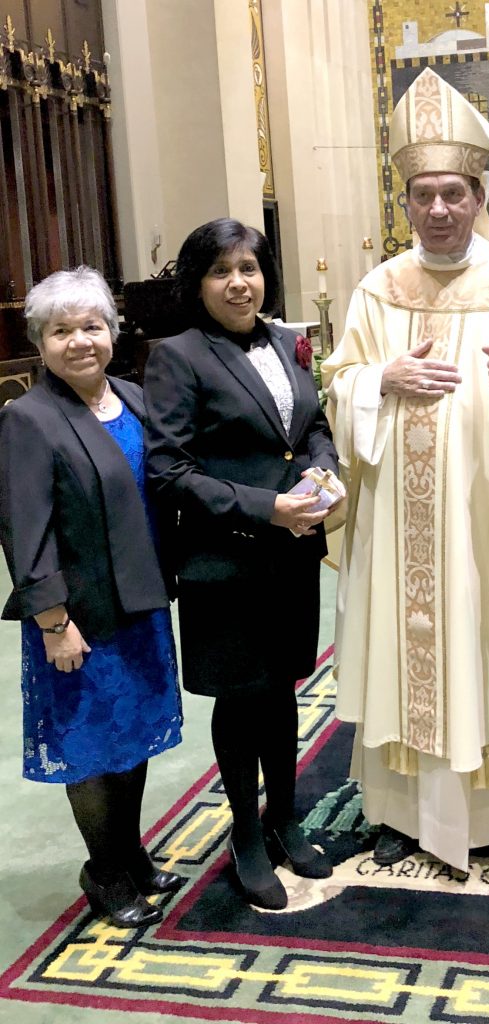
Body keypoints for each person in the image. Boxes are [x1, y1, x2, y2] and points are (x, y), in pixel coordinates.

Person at [322, 67, 489, 873]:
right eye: (422, 195)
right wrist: (380, 381)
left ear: (480, 196)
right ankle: (405, 811)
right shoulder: (377, 291)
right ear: (405, 202)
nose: (437, 209)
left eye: (453, 193)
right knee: (409, 652)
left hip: (488, 526)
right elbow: (336, 386)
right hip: (401, 536)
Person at [143, 220, 342, 911]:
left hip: (290, 554)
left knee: (281, 685)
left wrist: (325, 473)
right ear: (197, 283)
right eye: (221, 270)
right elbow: (169, 470)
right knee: (241, 694)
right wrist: (268, 508)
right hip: (226, 559)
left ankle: (283, 818)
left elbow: (309, 427)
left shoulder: (289, 341)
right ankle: (245, 836)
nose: (238, 283)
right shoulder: (178, 357)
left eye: (249, 268)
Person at [0, 267, 184, 929]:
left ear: (111, 331)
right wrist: (52, 621)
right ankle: (103, 872)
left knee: (131, 739)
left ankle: (130, 855)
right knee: (92, 747)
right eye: (61, 330)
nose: (80, 340)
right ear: (40, 342)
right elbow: (25, 526)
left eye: (91, 326)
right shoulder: (29, 418)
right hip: (78, 619)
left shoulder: (134, 398)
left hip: (139, 606)